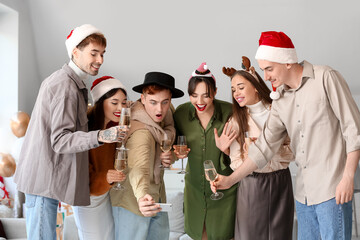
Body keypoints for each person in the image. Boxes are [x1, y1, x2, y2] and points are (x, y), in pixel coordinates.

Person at [211, 31, 360, 240]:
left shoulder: (325, 77)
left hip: (332, 190)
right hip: (303, 195)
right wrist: (230, 180)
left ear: (287, 62)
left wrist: (348, 177)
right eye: (263, 70)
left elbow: (354, 129)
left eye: (269, 69)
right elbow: (264, 147)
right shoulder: (280, 100)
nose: (266, 77)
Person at [13, 24, 124, 240]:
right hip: (43, 182)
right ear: (75, 52)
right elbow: (60, 141)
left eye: (102, 54)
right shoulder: (65, 87)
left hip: (44, 181)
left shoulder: (71, 84)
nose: (100, 60)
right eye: (94, 53)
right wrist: (100, 136)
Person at [216, 56, 294, 239]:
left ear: (256, 87)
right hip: (251, 184)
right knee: (249, 234)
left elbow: (294, 150)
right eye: (233, 89)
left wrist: (264, 151)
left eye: (241, 87)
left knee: (280, 234)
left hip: (281, 182)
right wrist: (227, 151)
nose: (236, 93)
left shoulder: (280, 110)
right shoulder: (235, 121)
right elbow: (236, 162)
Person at [110, 72, 184, 240]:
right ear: (142, 99)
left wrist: (171, 156)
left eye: (165, 102)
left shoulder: (165, 121)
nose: (160, 109)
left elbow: (164, 152)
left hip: (156, 198)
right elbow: (139, 166)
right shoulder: (141, 131)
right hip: (133, 203)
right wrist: (142, 196)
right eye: (153, 102)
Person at [173, 62, 237, 240]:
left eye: (205, 96)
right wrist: (176, 153)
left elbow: (246, 153)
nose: (199, 102)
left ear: (215, 92)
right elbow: (174, 145)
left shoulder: (230, 113)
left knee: (224, 235)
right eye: (194, 95)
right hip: (194, 190)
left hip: (225, 191)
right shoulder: (181, 113)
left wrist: (227, 150)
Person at [72, 76, 128, 240]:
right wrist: (105, 177)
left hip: (107, 194)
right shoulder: (85, 129)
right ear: (100, 101)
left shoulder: (115, 127)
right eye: (114, 102)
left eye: (124, 102)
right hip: (87, 198)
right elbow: (79, 172)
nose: (120, 107)